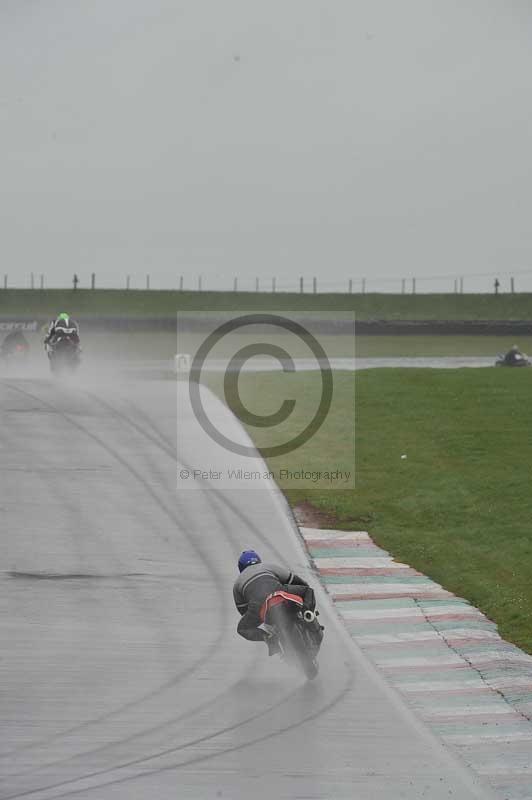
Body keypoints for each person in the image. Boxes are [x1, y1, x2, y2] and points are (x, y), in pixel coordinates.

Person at [233, 549, 317, 656]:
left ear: (240, 567)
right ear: (258, 560)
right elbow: (294, 580)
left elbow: (243, 610)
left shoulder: (237, 583)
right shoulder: (267, 566)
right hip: (279, 593)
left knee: (242, 628)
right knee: (308, 591)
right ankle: (307, 614)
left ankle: (268, 637)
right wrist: (303, 590)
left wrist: (256, 617)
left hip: (259, 607)